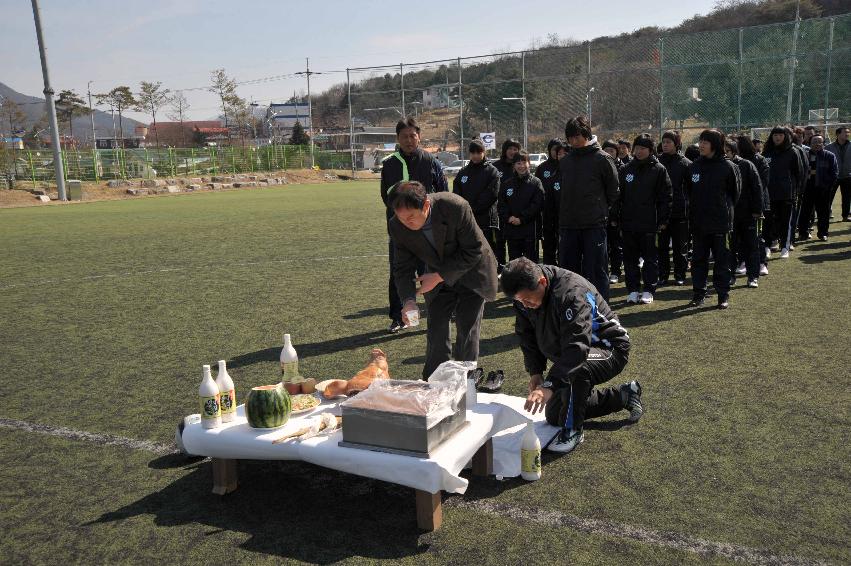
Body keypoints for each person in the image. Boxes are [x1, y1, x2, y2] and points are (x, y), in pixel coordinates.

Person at [500, 257, 641, 454]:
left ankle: (573, 430)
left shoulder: (571, 293)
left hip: (610, 348)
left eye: (527, 299)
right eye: (519, 301)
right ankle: (623, 396)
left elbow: (577, 348)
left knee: (577, 369)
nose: (525, 305)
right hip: (576, 351)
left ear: (542, 282)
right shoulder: (524, 296)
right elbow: (527, 334)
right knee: (555, 415)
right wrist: (535, 371)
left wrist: (550, 385)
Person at [388, 181, 498, 380]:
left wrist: (438, 277)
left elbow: (474, 250)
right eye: (401, 217)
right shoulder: (396, 225)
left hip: (472, 272)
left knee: (467, 328)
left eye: (411, 216)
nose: (406, 223)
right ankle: (434, 381)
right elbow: (402, 268)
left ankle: (465, 382)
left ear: (426, 205)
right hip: (436, 275)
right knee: (436, 328)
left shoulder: (455, 206)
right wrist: (409, 301)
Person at [380, 117, 447, 334]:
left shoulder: (431, 161)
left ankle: (437, 313)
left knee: (432, 271)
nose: (409, 140)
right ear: (397, 139)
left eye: (413, 135)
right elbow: (385, 197)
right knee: (398, 273)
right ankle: (397, 317)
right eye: (404, 136)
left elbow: (443, 193)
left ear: (419, 136)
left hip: (429, 232)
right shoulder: (389, 164)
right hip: (401, 232)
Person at [558, 116, 620, 301]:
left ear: (586, 134)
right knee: (568, 271)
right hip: (569, 224)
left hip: (594, 224)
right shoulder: (566, 161)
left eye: (577, 136)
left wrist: (599, 209)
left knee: (596, 270)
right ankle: (572, 307)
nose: (573, 141)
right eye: (570, 138)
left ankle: (601, 312)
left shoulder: (602, 158)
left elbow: (614, 190)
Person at [613, 134, 672, 304]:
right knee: (630, 258)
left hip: (649, 223)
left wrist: (663, 220)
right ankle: (632, 290)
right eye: (637, 148)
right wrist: (615, 216)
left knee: (650, 258)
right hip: (629, 222)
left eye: (643, 148)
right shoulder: (626, 169)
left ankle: (648, 289)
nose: (639, 151)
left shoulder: (658, 169)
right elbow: (618, 196)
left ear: (651, 150)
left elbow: (666, 197)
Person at [687, 129, 741, 309]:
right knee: (698, 260)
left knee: (722, 261)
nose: (701, 145)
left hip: (721, 224)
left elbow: (735, 194)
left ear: (715, 145)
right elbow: (688, 192)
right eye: (701, 141)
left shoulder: (728, 167)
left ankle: (722, 295)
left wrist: (723, 210)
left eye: (706, 142)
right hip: (699, 223)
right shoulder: (694, 166)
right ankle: (698, 294)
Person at [725, 139, 764, 288]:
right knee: (730, 248)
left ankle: (753, 276)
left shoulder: (747, 165)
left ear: (735, 152)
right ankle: (730, 276)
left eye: (728, 151)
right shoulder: (721, 166)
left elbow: (757, 188)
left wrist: (757, 210)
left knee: (751, 246)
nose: (725, 154)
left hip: (747, 214)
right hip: (730, 215)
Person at [453, 139, 501, 258]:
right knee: (468, 250)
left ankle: (492, 274)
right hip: (466, 220)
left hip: (486, 221)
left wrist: (473, 209)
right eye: (472, 153)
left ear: (484, 152)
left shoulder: (492, 171)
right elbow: (456, 194)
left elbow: (491, 195)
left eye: (478, 152)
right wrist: (464, 210)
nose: (475, 156)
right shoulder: (463, 172)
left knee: (487, 251)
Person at [761, 126, 801, 260]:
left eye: (780, 135)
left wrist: (794, 191)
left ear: (785, 137)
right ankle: (767, 246)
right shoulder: (766, 152)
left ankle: (785, 246)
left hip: (786, 194)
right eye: (775, 135)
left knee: (785, 222)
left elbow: (798, 173)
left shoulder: (792, 152)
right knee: (767, 222)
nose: (777, 137)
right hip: (769, 194)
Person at [658, 130, 692, 286]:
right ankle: (663, 275)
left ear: (676, 144)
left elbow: (691, 189)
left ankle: (680, 274)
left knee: (680, 247)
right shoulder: (657, 163)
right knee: (662, 246)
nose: (665, 145)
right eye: (663, 142)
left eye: (668, 142)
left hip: (680, 212)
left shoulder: (686, 164)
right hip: (661, 212)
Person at [498, 151, 545, 262]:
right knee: (515, 264)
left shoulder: (536, 183)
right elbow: (501, 204)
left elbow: (537, 205)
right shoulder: (507, 184)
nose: (521, 166)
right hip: (512, 231)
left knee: (531, 265)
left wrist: (522, 219)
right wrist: (509, 217)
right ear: (514, 165)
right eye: (518, 163)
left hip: (530, 232)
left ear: (529, 163)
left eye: (524, 162)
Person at [737, 136, 772, 277]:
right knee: (741, 238)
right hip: (741, 206)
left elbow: (762, 184)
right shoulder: (736, 162)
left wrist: (755, 204)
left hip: (757, 205)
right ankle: (743, 262)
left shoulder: (759, 160)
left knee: (757, 237)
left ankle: (762, 263)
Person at [798, 135, 839, 241]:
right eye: (814, 141)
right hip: (808, 189)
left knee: (823, 212)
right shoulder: (805, 155)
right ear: (810, 143)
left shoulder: (829, 156)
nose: (817, 144)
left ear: (823, 143)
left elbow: (834, 173)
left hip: (823, 189)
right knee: (805, 212)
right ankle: (803, 233)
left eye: (819, 142)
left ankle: (823, 233)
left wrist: (827, 185)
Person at [491, 138, 522, 271]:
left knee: (514, 242)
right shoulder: (496, 166)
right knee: (499, 241)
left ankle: (515, 270)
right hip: (499, 210)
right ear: (505, 150)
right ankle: (501, 269)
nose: (512, 152)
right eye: (510, 149)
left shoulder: (520, 166)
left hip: (515, 211)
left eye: (515, 149)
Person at [536, 138, 567, 265]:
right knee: (548, 242)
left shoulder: (568, 167)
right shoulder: (542, 168)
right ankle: (549, 267)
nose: (556, 153)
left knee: (563, 244)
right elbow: (537, 189)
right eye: (554, 149)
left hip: (564, 212)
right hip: (547, 211)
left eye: (559, 151)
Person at [602, 139, 624, 284]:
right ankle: (604, 270)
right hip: (600, 213)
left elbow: (620, 194)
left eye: (612, 151)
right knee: (602, 245)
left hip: (616, 213)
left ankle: (615, 271)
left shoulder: (623, 168)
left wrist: (615, 211)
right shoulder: (599, 165)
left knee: (616, 244)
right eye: (606, 150)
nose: (609, 153)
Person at [825, 126, 851, 222]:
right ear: (838, 134)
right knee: (829, 196)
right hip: (833, 176)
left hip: (848, 176)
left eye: (848, 132)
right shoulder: (829, 147)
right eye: (845, 132)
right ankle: (826, 214)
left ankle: (846, 215)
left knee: (847, 197)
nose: (847, 134)